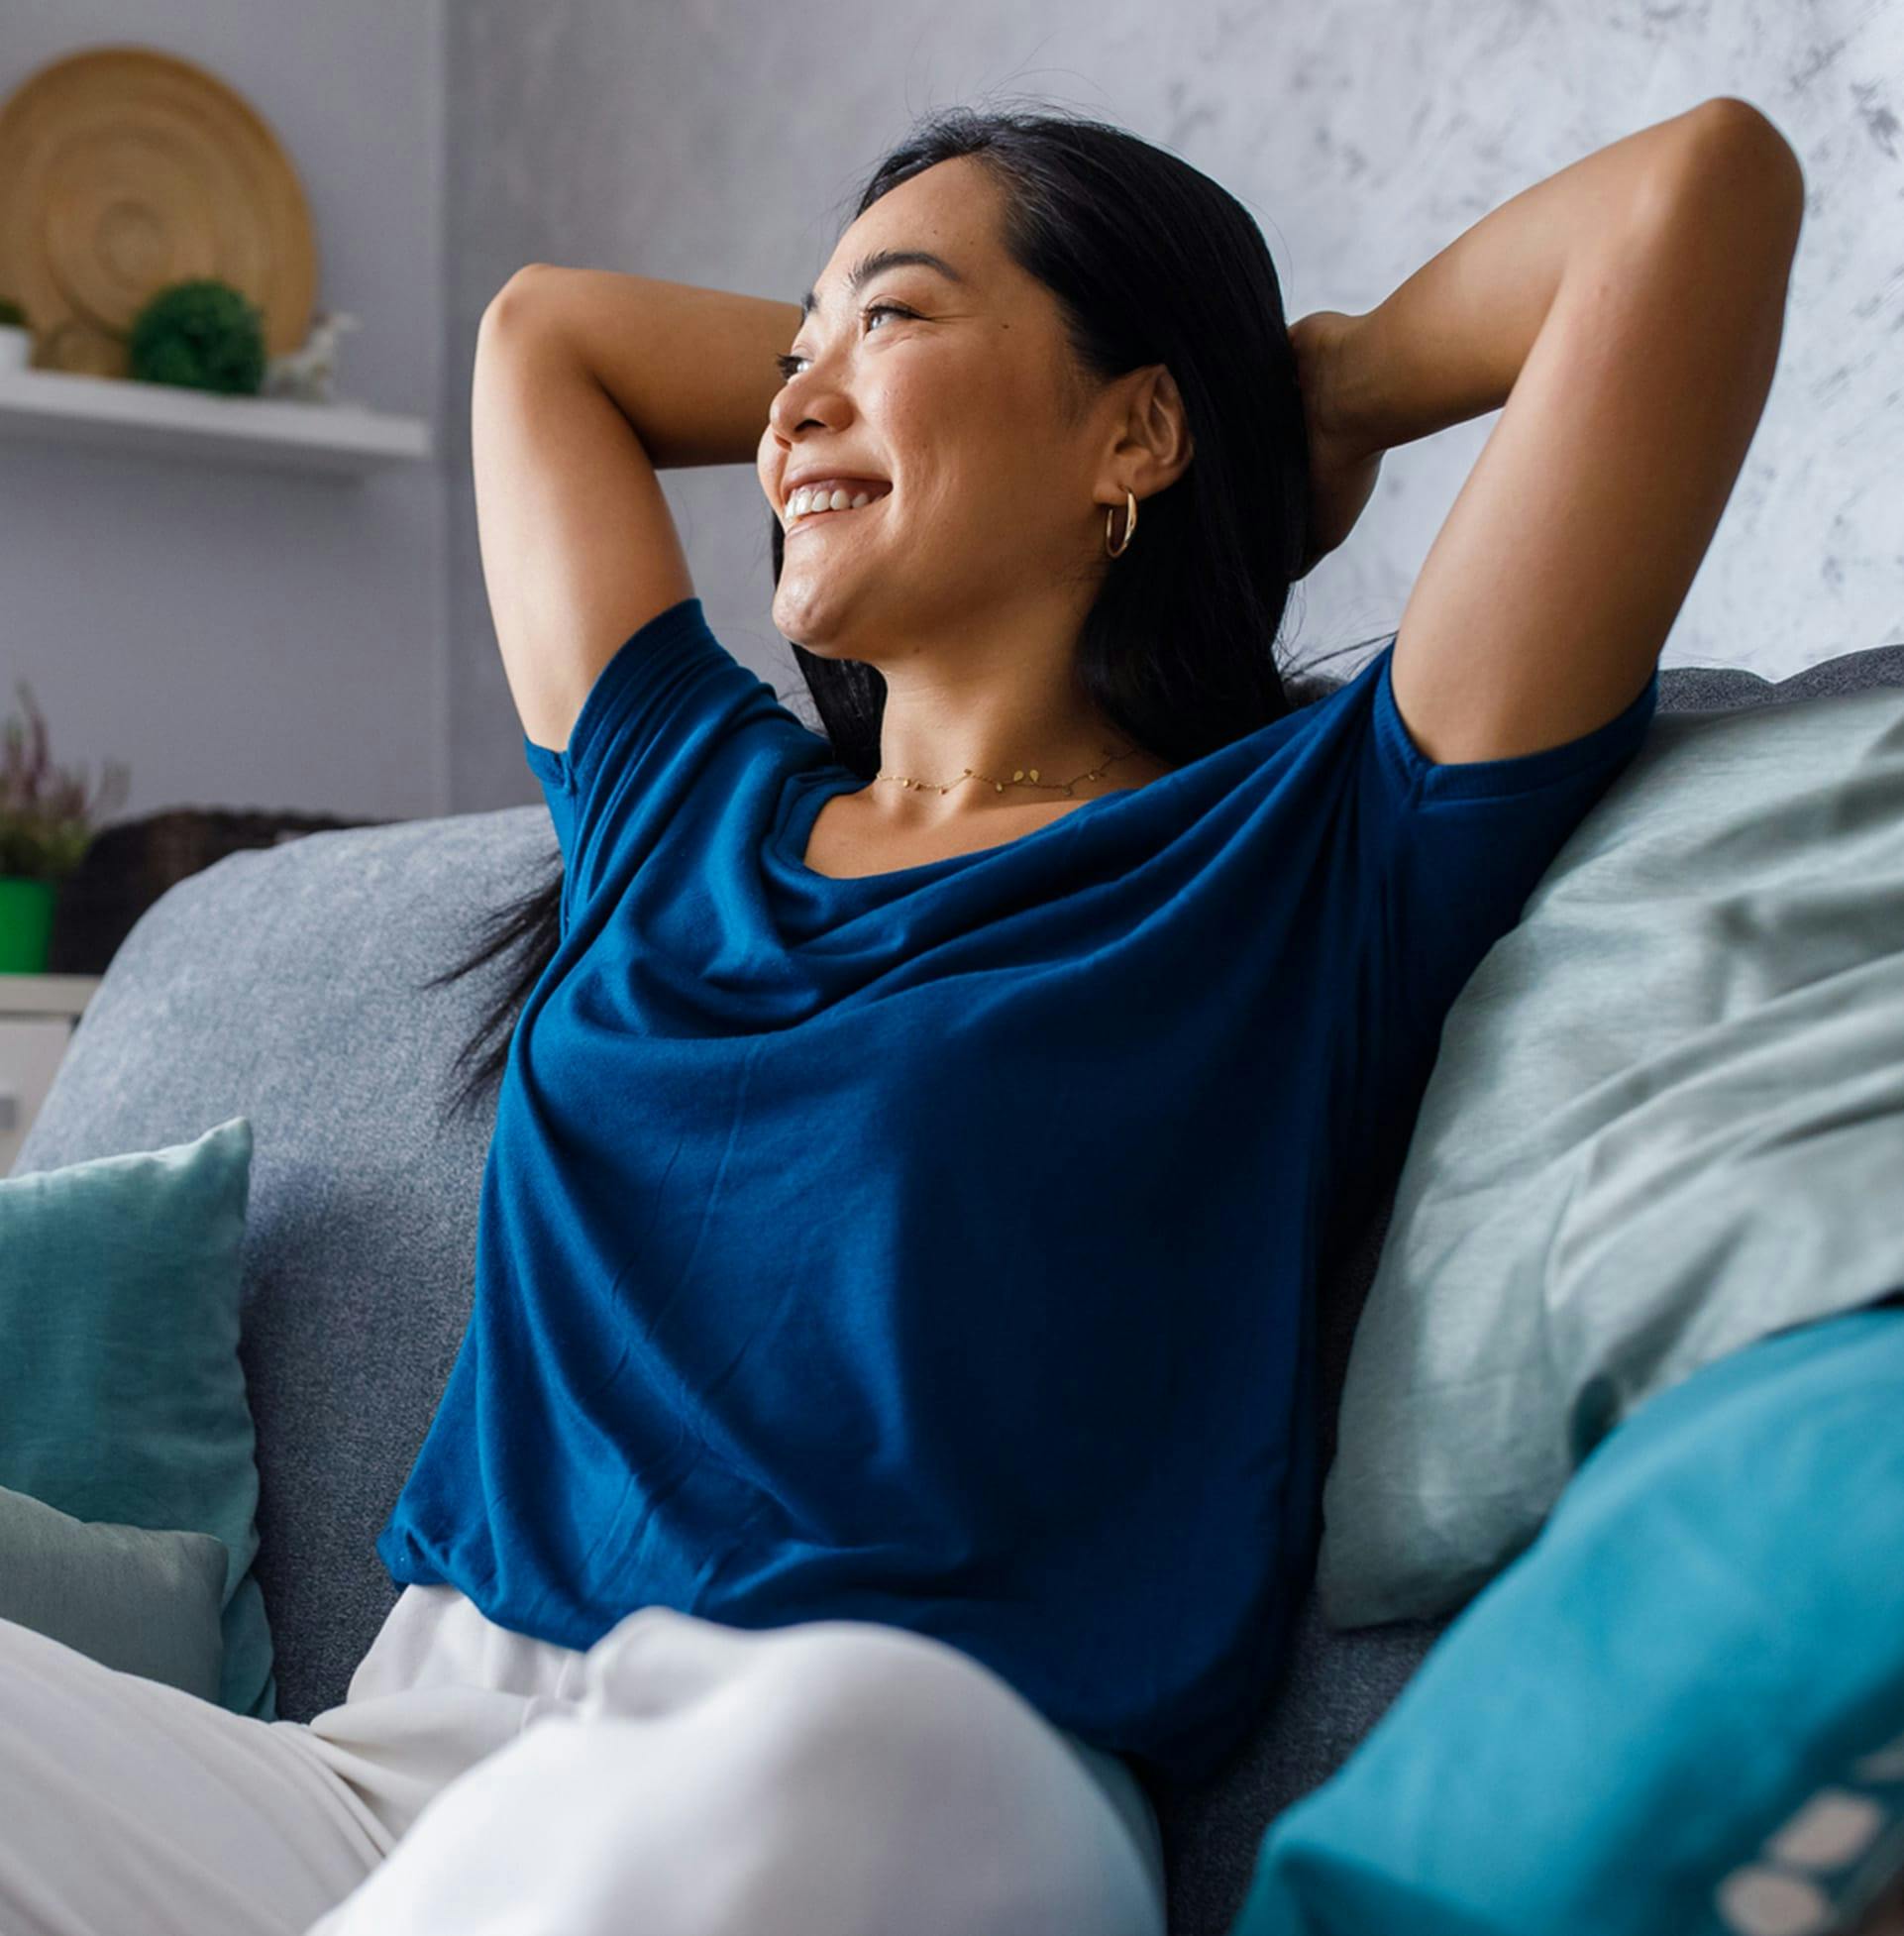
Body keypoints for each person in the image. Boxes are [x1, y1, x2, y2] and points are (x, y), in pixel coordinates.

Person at [5, 87, 1797, 1933]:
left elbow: (1689, 197)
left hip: (889, 1756)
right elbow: (544, 337)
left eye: (895, 316)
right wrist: (880, 360)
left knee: (840, 1750)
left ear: (1137, 425)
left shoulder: (1312, 842)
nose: (788, 401)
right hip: (400, 1766)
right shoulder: (679, 810)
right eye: (795, 342)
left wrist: (1299, 395)